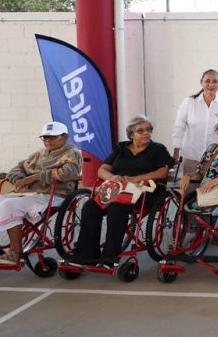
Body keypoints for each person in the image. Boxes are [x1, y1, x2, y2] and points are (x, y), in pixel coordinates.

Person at [0, 122, 82, 268]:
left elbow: (69, 173)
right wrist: (19, 180)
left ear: (64, 137)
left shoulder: (71, 153)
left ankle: (15, 253)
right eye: (45, 137)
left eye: (52, 137)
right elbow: (17, 169)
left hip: (53, 195)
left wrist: (33, 178)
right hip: (30, 194)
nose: (47, 141)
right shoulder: (39, 154)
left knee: (9, 205)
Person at [68, 115, 173, 269]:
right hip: (117, 190)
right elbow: (102, 170)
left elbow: (163, 172)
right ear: (131, 134)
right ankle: (86, 255)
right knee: (90, 207)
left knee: (117, 209)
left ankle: (109, 257)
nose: (146, 133)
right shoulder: (121, 148)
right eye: (140, 131)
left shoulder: (157, 149)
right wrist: (113, 177)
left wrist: (136, 178)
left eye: (148, 130)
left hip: (144, 192)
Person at [172, 69, 218, 176]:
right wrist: (175, 154)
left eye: (215, 81)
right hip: (192, 158)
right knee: (190, 186)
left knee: (213, 187)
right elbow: (179, 129)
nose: (211, 84)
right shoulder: (189, 102)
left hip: (216, 160)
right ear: (201, 82)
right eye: (207, 81)